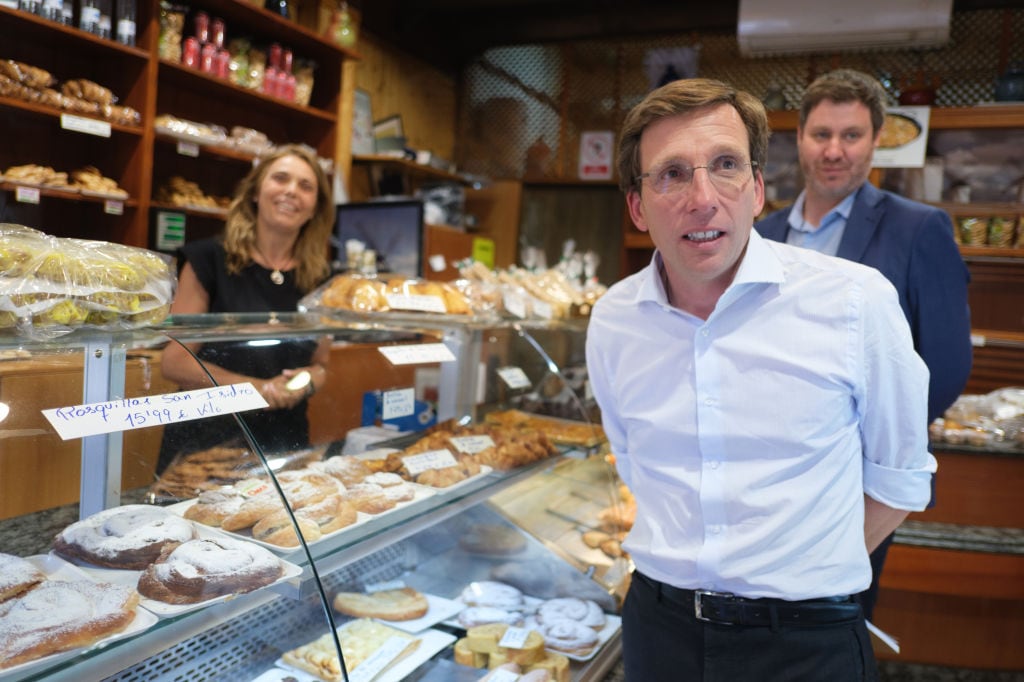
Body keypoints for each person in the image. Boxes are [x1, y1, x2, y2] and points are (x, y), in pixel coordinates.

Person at [585, 78, 936, 681]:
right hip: (657, 629)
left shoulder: (855, 302)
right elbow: (635, 464)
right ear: (637, 206)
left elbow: (900, 478)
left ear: (756, 190)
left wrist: (806, 567)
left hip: (805, 643)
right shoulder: (615, 319)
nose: (702, 197)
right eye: (671, 173)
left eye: (725, 165)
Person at [755, 68, 973, 620]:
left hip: (860, 481)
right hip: (768, 473)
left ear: (876, 142)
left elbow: (946, 364)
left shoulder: (920, 228)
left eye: (851, 135)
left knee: (833, 620)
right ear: (799, 138)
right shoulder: (761, 235)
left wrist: (871, 441)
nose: (834, 150)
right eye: (821, 134)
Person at [157, 144, 335, 475]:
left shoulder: (322, 279)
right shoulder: (207, 260)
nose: (291, 191)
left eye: (306, 186)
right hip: (207, 442)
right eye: (280, 178)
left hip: (286, 442)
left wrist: (307, 380)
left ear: (315, 209)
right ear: (255, 192)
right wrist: (257, 390)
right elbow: (176, 361)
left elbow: (321, 364)